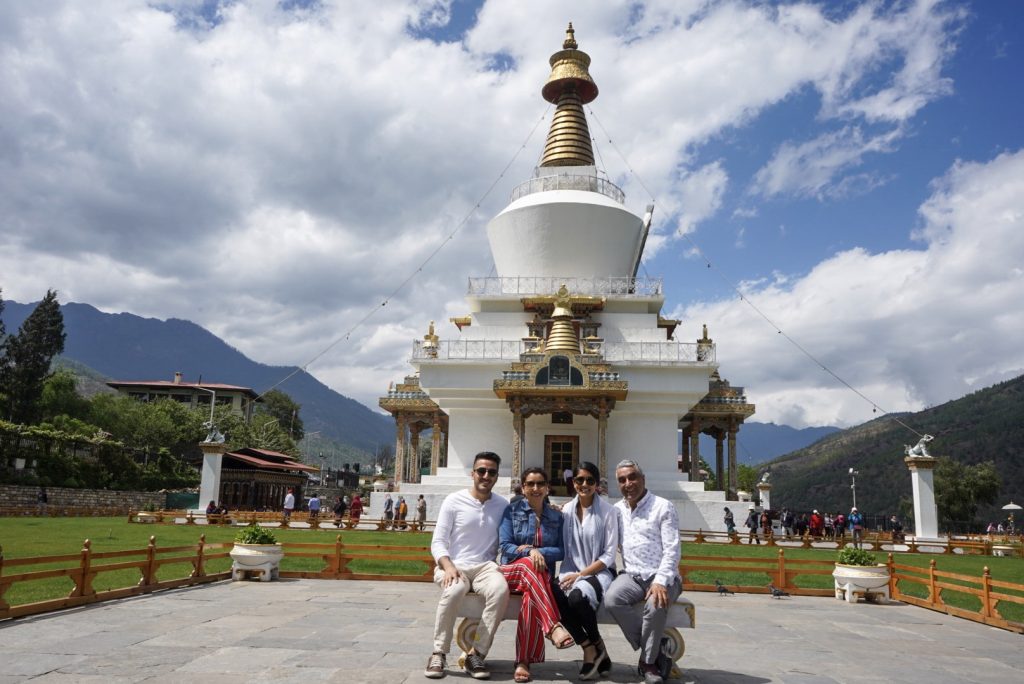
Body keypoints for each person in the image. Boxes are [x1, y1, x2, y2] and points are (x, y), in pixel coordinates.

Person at [424, 452, 510, 680]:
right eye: (481, 471)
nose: (486, 475)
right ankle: (438, 652)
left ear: (497, 476)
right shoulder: (453, 500)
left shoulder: (502, 504)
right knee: (454, 591)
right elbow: (438, 541)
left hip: (485, 567)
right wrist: (448, 566)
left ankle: (477, 653)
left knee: (501, 591)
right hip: (455, 564)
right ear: (472, 473)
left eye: (491, 472)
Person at [605, 460, 681, 684]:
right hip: (633, 576)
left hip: (663, 576)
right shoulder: (617, 510)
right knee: (612, 600)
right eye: (622, 480)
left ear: (643, 479)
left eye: (632, 477)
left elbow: (673, 549)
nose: (628, 483)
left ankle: (648, 663)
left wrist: (660, 581)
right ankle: (656, 650)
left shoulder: (663, 506)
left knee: (655, 605)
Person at [498, 468, 573, 682]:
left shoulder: (556, 516)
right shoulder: (511, 511)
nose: (535, 488)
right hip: (511, 572)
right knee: (529, 565)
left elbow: (561, 550)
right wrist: (529, 552)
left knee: (531, 598)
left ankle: (523, 662)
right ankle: (553, 626)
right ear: (523, 488)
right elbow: (505, 546)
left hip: (539, 579)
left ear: (547, 488)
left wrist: (539, 552)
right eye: (530, 484)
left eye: (540, 484)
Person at [556, 462, 617, 680]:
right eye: (580, 480)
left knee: (577, 597)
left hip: (599, 572)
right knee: (552, 594)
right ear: (573, 483)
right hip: (570, 569)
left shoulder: (609, 512)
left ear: (597, 484)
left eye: (590, 480)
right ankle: (591, 647)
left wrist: (581, 575)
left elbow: (609, 555)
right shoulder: (566, 511)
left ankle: (596, 648)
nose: (584, 484)